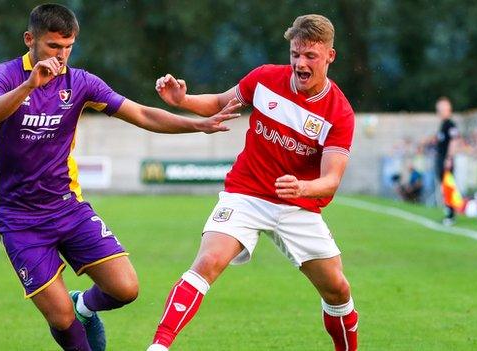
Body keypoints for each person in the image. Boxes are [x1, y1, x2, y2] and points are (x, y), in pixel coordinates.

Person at [0, 4, 240, 351]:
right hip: (17, 217)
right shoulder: (6, 75)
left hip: (67, 206)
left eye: (68, 47)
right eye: (54, 47)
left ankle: (84, 305)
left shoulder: (80, 82)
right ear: (30, 40)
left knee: (126, 288)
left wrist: (197, 125)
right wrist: (29, 85)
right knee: (60, 318)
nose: (62, 55)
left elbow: (141, 113)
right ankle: (74, 318)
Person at [147, 14, 358, 351]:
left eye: (310, 56)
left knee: (338, 290)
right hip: (245, 194)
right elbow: (219, 102)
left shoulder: (339, 113)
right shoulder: (264, 79)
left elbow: (331, 180)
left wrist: (303, 188)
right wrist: (183, 101)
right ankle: (158, 347)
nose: (300, 64)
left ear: (330, 57)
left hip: (297, 204)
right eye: (295, 54)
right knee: (207, 262)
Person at [434, 96, 460, 225]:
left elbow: (454, 141)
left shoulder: (450, 124)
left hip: (446, 159)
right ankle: (448, 211)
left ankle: (451, 214)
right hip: (441, 158)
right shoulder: (443, 124)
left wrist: (449, 158)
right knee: (444, 187)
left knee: (448, 186)